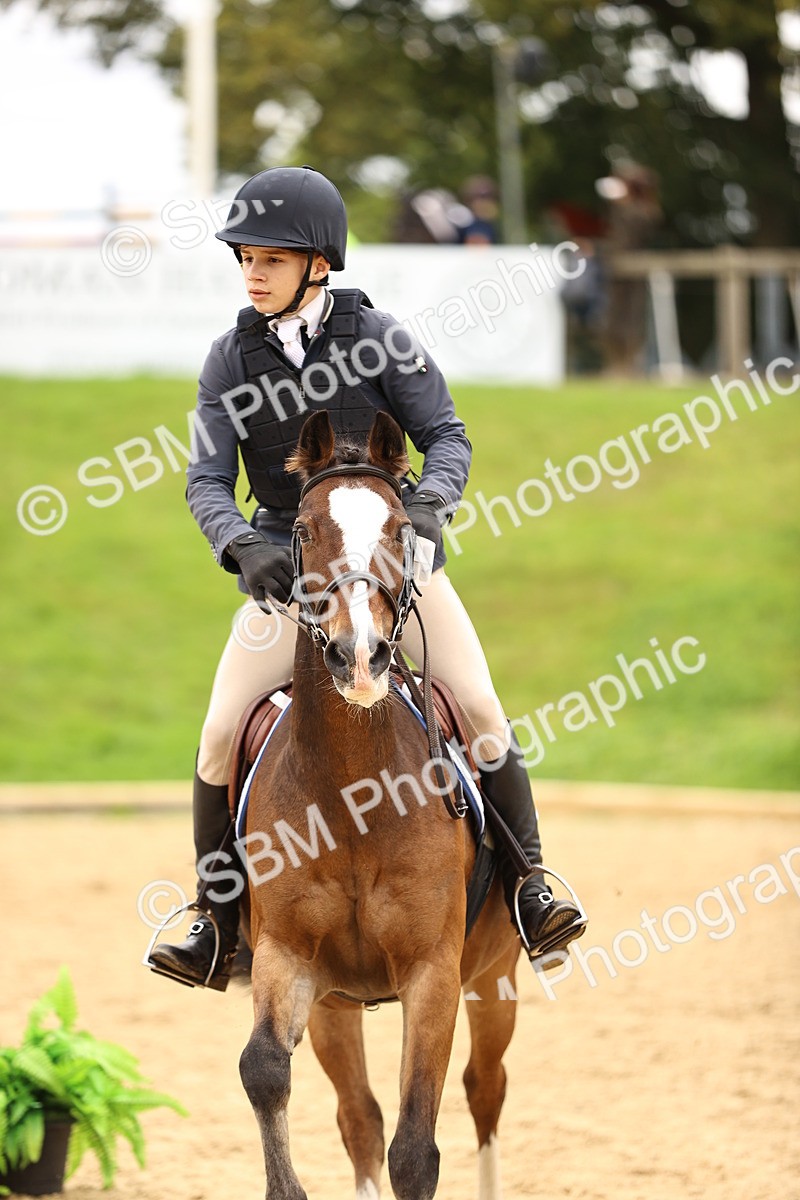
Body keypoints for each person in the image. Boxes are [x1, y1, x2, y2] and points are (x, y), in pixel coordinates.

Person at [149, 166, 586, 990]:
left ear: (319, 263)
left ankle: (532, 888)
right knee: (216, 738)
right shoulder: (228, 360)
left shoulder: (382, 337)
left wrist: (424, 512)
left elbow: (447, 437)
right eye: (245, 257)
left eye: (271, 258)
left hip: (398, 567)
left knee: (484, 712)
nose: (252, 271)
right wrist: (245, 545)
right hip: (291, 577)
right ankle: (214, 920)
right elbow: (206, 481)